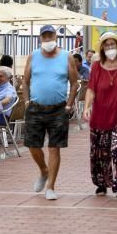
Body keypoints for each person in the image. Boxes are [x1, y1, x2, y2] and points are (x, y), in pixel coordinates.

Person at [23, 25, 78, 200]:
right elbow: (25, 81)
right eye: (44, 36)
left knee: (55, 148)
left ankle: (50, 187)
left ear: (55, 36)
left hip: (58, 109)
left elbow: (75, 83)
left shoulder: (66, 56)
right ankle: (43, 170)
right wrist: (26, 102)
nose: (48, 39)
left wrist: (69, 105)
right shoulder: (33, 56)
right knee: (33, 145)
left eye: (50, 36)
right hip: (36, 107)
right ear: (40, 38)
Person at [83, 32, 117, 201]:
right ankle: (101, 183)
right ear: (102, 48)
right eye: (106, 45)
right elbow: (91, 89)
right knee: (99, 153)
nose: (110, 48)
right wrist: (87, 107)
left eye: (112, 45)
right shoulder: (96, 66)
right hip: (99, 117)